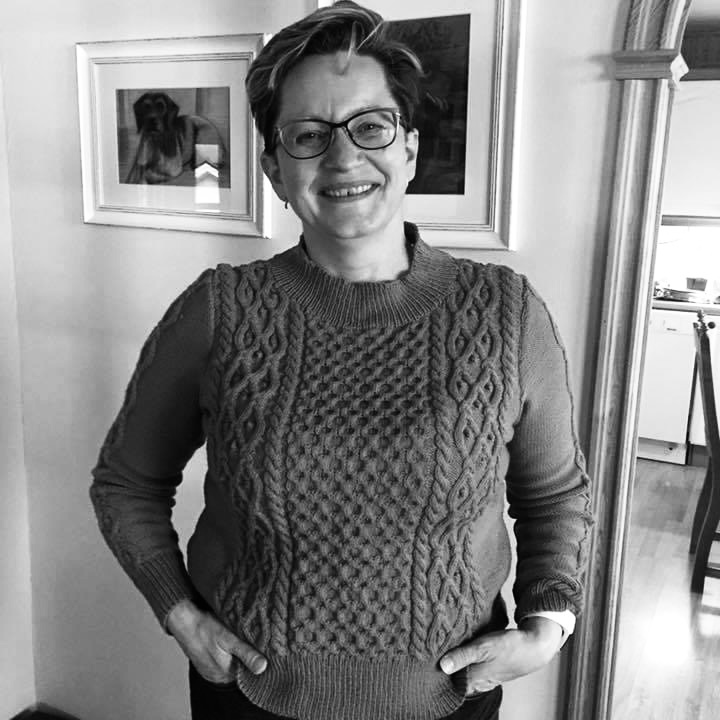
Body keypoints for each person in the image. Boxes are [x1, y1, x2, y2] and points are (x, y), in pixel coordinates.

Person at [89, 3, 593, 719]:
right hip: (251, 701)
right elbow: (126, 483)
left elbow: (556, 495)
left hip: (451, 700)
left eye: (371, 126)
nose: (343, 156)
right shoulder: (218, 312)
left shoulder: (505, 314)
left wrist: (549, 623)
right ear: (274, 168)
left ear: (408, 148)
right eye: (309, 135)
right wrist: (180, 614)